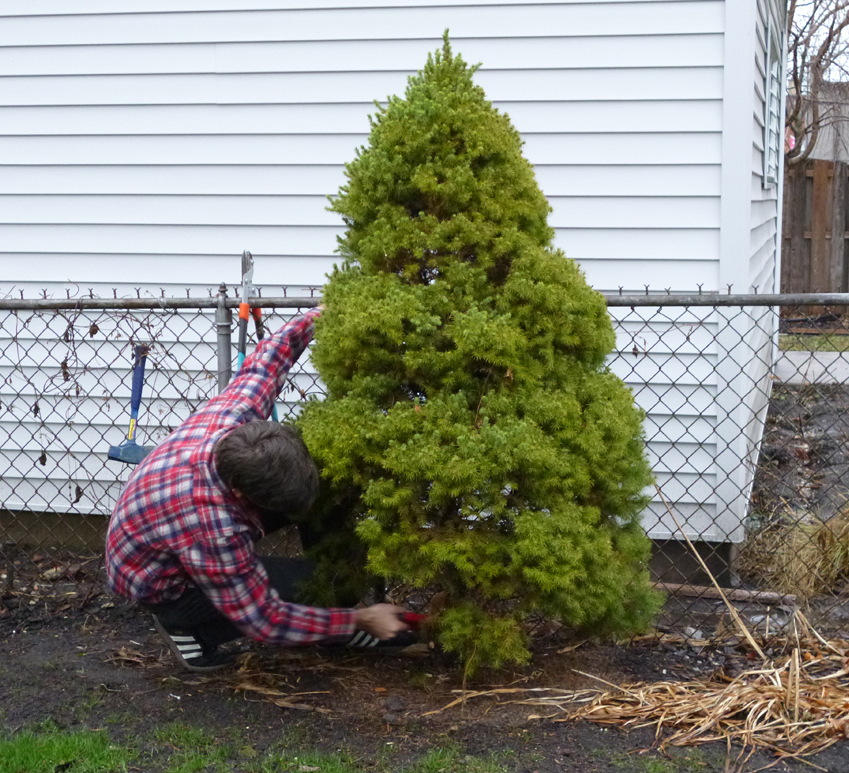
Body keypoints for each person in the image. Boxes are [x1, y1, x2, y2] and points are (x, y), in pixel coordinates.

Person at [105, 307, 412, 671]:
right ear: (240, 495)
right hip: (163, 584)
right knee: (318, 582)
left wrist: (323, 314)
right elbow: (264, 619)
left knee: (330, 523)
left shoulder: (236, 419)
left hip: (171, 531)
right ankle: (191, 630)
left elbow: (270, 357)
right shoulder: (213, 526)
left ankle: (331, 619)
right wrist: (357, 620)